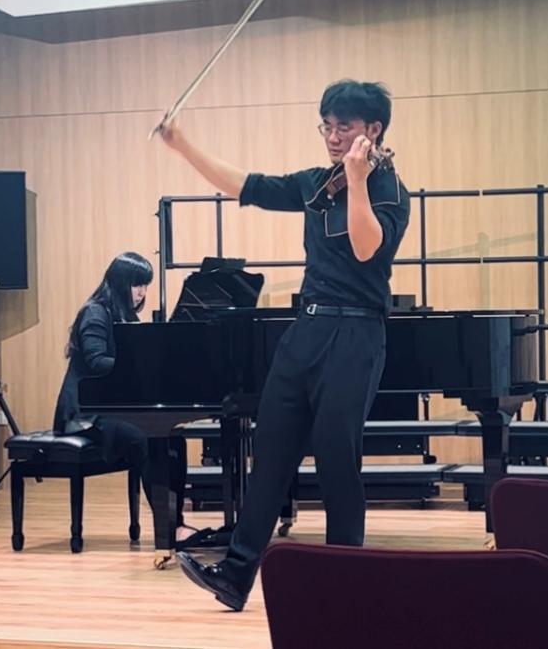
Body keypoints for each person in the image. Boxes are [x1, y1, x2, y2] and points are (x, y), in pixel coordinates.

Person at [160, 80, 410, 610]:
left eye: (345, 126)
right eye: (327, 125)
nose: (334, 136)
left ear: (374, 129)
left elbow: (366, 248)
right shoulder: (314, 184)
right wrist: (182, 145)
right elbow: (245, 186)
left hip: (356, 333)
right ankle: (235, 575)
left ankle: (346, 584)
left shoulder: (389, 189)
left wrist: (358, 180)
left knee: (337, 460)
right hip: (307, 330)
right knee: (271, 453)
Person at [53, 251, 196, 544]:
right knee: (145, 440)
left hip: (110, 409)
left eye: (145, 285)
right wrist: (138, 365)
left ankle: (176, 521)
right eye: (137, 284)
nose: (142, 292)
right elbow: (96, 362)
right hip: (86, 415)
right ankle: (166, 528)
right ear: (120, 283)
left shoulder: (124, 316)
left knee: (174, 439)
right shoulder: (95, 313)